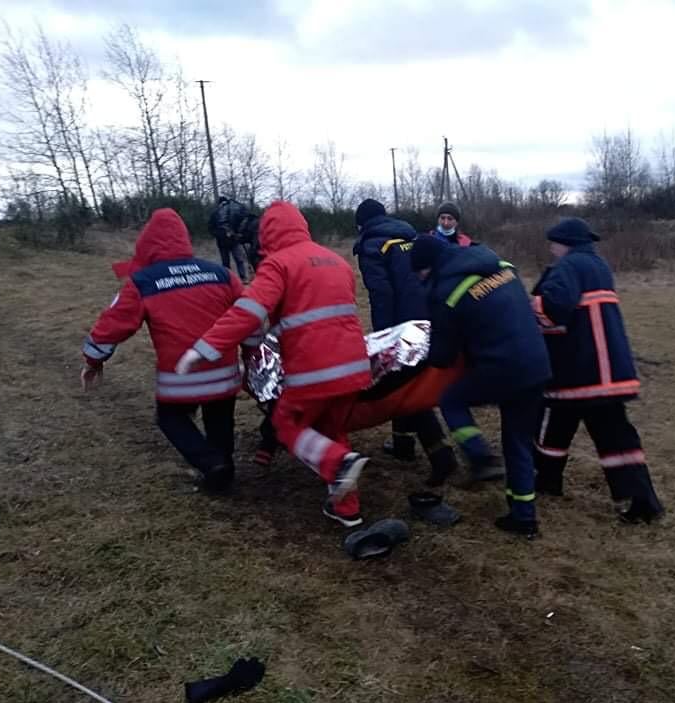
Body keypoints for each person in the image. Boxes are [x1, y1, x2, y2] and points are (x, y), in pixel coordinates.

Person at [176, 201, 373, 528]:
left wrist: (204, 348)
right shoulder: (337, 261)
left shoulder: (278, 264)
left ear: (267, 233)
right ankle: (347, 510)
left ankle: (338, 464)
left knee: (287, 424)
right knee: (330, 429)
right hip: (354, 366)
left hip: (314, 370)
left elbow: (249, 312)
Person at [80, 209, 244, 492]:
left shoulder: (143, 281)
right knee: (219, 418)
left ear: (147, 243)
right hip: (224, 372)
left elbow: (112, 326)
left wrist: (93, 361)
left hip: (180, 376)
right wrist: (253, 353)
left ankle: (211, 463)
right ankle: (222, 466)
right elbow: (248, 315)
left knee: (170, 417)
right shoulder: (222, 273)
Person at [410, 235, 551, 537]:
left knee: (452, 400)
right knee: (517, 440)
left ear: (427, 268)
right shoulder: (499, 265)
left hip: (502, 368)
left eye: (419, 273)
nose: (419, 279)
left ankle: (479, 456)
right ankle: (523, 517)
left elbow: (443, 357)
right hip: (538, 364)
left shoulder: (446, 292)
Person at [530, 218, 664, 524]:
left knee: (585, 430)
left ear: (564, 242)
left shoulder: (567, 267)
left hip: (580, 370)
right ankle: (551, 482)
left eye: (553, 244)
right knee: (592, 431)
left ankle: (640, 504)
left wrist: (527, 304)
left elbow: (554, 308)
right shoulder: (598, 265)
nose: (551, 250)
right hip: (606, 371)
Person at [353, 198, 458, 485]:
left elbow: (381, 292)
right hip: (427, 316)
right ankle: (406, 445)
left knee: (399, 386)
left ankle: (434, 453)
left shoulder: (372, 245)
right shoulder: (410, 236)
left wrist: (383, 336)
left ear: (361, 223)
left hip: (401, 324)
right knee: (410, 385)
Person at [208, 196, 249, 282]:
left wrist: (219, 234)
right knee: (238, 260)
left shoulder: (215, 213)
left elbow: (211, 229)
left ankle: (230, 280)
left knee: (227, 262)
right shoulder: (232, 210)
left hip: (224, 241)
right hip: (231, 240)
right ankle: (242, 278)